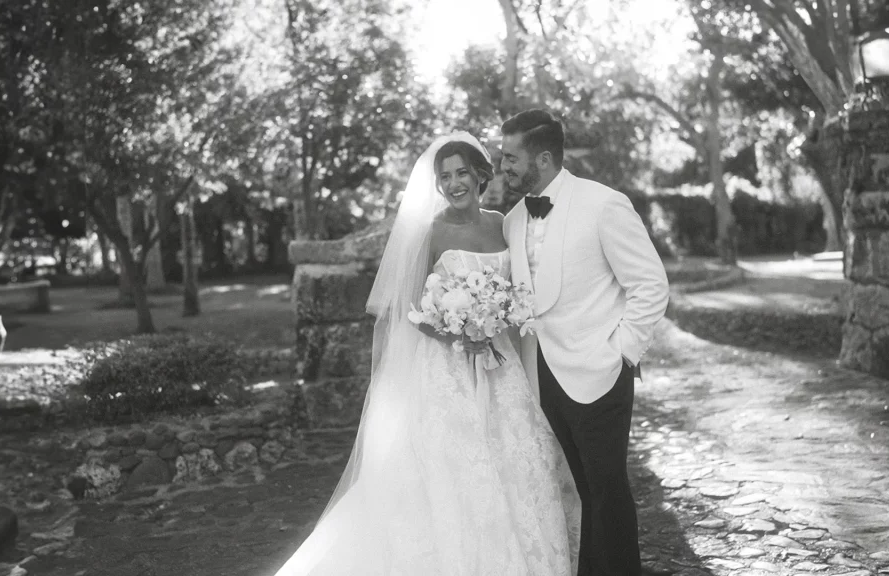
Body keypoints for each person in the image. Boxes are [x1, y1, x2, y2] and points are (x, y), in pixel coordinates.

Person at [271, 132, 580, 576]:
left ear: (480, 175)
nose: (454, 184)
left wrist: (495, 320)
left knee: (517, 461)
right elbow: (409, 312)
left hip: (500, 364)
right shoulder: (431, 233)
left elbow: (520, 291)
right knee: (454, 471)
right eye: (445, 177)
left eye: (461, 173)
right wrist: (457, 334)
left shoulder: (504, 225)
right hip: (447, 370)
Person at [501, 109, 670, 576]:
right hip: (543, 376)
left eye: (510, 158)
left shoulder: (604, 204)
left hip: (600, 372)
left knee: (608, 491)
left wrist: (622, 353)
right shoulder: (513, 221)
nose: (503, 167)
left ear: (544, 158)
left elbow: (651, 284)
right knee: (582, 492)